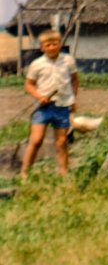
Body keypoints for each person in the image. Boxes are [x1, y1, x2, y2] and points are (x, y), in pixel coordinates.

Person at [20, 29, 79, 180]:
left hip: (62, 106)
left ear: (60, 44)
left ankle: (63, 173)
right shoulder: (37, 64)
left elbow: (75, 80)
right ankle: (24, 173)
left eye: (55, 44)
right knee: (36, 140)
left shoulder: (68, 61)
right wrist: (39, 96)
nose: (52, 47)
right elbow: (29, 85)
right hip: (43, 108)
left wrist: (73, 99)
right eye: (48, 45)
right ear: (42, 47)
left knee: (61, 142)